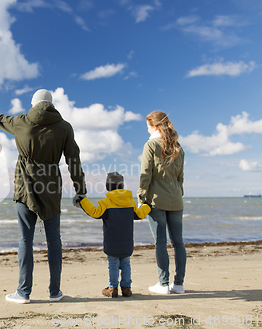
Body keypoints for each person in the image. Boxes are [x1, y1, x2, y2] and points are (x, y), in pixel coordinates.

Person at [0, 89, 87, 304]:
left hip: (25, 188)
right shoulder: (65, 128)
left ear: (33, 104)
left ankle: (24, 293)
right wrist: (81, 191)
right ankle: (55, 292)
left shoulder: (21, 122)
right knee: (54, 240)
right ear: (51, 104)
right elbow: (74, 160)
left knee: (26, 239)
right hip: (52, 189)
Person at [75, 172, 150, 298]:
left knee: (113, 264)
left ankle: (112, 288)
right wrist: (147, 205)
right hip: (126, 241)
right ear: (122, 186)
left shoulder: (105, 203)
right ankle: (126, 288)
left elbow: (94, 212)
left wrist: (83, 201)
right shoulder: (130, 202)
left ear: (107, 187)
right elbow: (139, 214)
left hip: (111, 241)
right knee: (126, 264)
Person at [137, 111, 186, 294]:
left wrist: (141, 199)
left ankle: (163, 284)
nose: (147, 130)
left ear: (155, 126)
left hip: (156, 200)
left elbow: (145, 175)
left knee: (160, 242)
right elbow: (180, 178)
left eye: (148, 127)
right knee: (178, 242)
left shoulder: (151, 145)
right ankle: (179, 284)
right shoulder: (178, 147)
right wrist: (178, 193)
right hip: (176, 200)